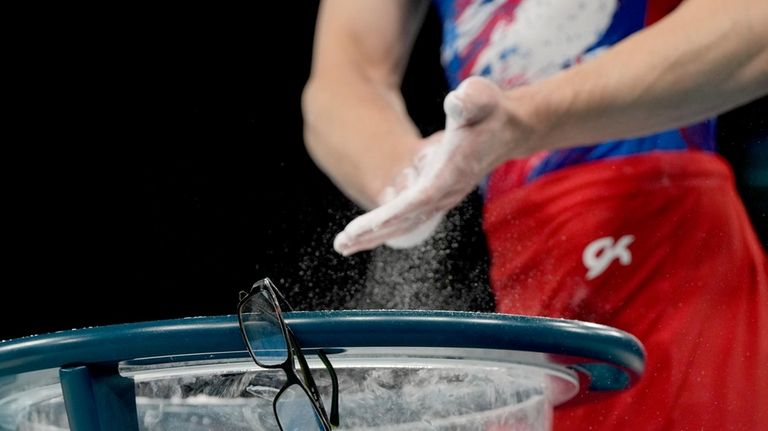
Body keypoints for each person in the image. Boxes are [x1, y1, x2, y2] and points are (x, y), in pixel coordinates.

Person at [302, 0, 768, 429]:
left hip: (665, 243)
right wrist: (408, 178)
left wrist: (525, 118)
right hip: (522, 252)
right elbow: (342, 78)